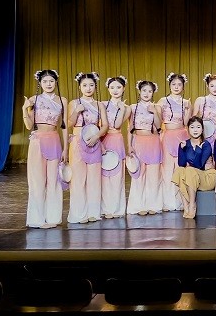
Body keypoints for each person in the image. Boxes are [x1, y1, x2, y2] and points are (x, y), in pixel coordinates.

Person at [22, 69, 68, 229]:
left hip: (54, 141)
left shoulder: (62, 100)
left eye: (51, 81)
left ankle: (53, 217)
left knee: (54, 181)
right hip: (38, 141)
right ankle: (37, 219)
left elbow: (64, 126)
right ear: (40, 83)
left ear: (56, 82)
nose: (48, 84)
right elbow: (29, 126)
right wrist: (24, 109)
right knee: (37, 180)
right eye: (45, 81)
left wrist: (66, 148)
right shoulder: (34, 99)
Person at [67, 71, 108, 224]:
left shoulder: (99, 105)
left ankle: (93, 213)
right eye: (84, 85)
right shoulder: (74, 103)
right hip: (78, 143)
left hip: (94, 142)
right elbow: (68, 124)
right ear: (80, 87)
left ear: (95, 86)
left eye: (91, 85)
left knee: (94, 179)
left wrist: (97, 136)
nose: (88, 88)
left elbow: (105, 125)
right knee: (78, 179)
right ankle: (79, 214)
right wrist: (76, 111)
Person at [127, 80, 163, 216]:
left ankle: (153, 205)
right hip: (139, 142)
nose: (147, 93)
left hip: (153, 142)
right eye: (144, 91)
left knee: (153, 176)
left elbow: (159, 127)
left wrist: (154, 112)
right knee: (139, 175)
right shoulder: (133, 108)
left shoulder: (156, 107)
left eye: (150, 91)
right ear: (139, 91)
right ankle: (139, 206)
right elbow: (130, 129)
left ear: (153, 93)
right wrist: (129, 145)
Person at [158, 72, 191, 212]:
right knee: (166, 169)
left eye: (179, 84)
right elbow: (157, 121)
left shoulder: (186, 102)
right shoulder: (162, 101)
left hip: (182, 135)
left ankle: (181, 202)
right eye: (173, 84)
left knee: (180, 168)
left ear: (183, 86)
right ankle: (167, 202)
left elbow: (186, 123)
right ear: (169, 85)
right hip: (168, 135)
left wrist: (188, 110)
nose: (176, 87)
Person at [172, 115, 214, 219]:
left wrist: (198, 150)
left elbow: (199, 165)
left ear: (202, 129)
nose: (195, 130)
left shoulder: (206, 145)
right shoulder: (184, 144)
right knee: (179, 171)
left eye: (198, 127)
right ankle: (185, 205)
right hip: (192, 176)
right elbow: (181, 164)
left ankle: (192, 204)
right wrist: (182, 149)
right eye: (192, 127)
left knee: (190, 170)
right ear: (188, 129)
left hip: (207, 176)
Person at [101, 75, 130, 219]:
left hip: (117, 139)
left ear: (123, 88)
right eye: (112, 87)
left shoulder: (127, 108)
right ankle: (105, 208)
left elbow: (117, 125)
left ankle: (116, 209)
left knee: (117, 175)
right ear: (108, 89)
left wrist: (121, 109)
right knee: (104, 176)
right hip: (103, 139)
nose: (115, 90)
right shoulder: (102, 104)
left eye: (118, 87)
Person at [194, 73, 216, 148]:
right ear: (207, 86)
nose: (215, 89)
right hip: (204, 133)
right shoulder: (200, 100)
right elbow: (193, 121)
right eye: (212, 86)